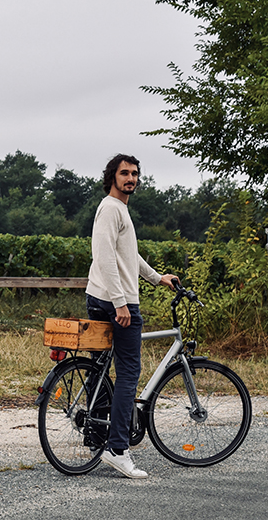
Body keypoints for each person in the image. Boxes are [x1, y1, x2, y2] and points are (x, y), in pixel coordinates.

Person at [86, 154, 178, 479]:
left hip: (101, 297)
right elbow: (104, 257)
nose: (131, 178)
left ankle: (95, 437)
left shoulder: (118, 210)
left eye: (135, 173)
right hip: (116, 301)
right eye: (124, 173)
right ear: (112, 176)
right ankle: (118, 450)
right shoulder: (111, 208)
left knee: (99, 370)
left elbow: (128, 255)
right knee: (128, 373)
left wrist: (157, 278)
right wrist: (120, 303)